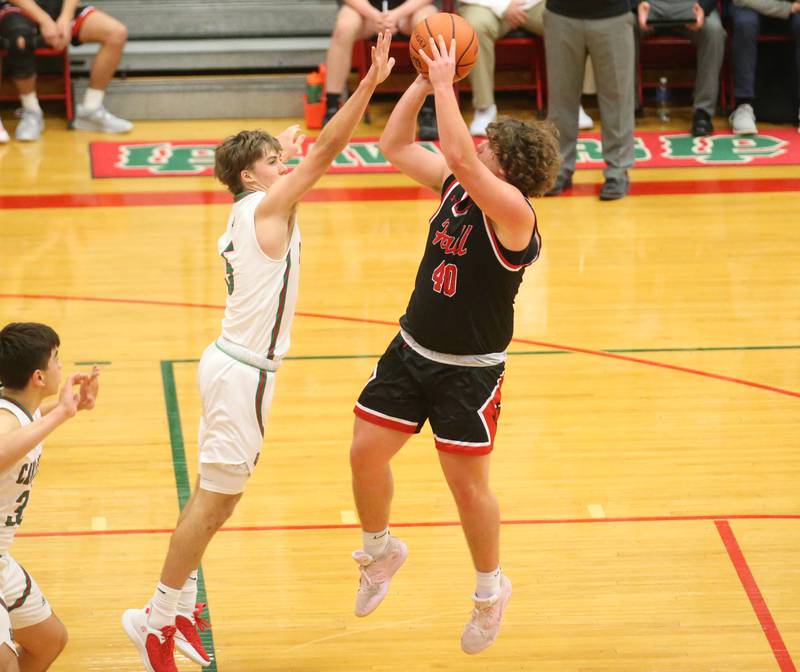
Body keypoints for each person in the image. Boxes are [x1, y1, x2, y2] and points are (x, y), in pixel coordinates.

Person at [121, 32, 396, 672]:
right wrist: (367, 85)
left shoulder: (253, 207)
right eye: (274, 162)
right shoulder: (263, 207)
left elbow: (305, 154)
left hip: (241, 368)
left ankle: (178, 607)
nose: (286, 167)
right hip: (240, 372)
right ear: (252, 176)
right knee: (215, 499)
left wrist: (284, 149)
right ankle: (155, 618)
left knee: (220, 497)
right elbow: (326, 151)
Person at [349, 35, 558, 654]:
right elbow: (392, 145)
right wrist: (419, 79)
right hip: (412, 350)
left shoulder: (514, 214)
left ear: (508, 166)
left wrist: (448, 81)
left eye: (491, 145)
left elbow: (464, 159)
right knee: (364, 453)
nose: (480, 145)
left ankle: (491, 592)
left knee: (467, 489)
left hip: (469, 371)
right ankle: (381, 552)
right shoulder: (457, 186)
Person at [0, 322, 99, 672]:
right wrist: (60, 412)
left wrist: (64, 408)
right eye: (56, 360)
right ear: (39, 377)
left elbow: (23, 427)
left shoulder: (16, 410)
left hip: (2, 557)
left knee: (49, 641)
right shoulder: (4, 419)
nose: (61, 366)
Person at [0, 0, 131, 143]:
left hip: (59, 7)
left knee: (116, 33)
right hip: (21, 8)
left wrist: (65, 18)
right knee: (20, 40)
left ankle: (91, 109)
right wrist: (45, 21)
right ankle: (31, 111)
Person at [543, 0, 636, 200]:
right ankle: (558, 169)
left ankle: (617, 171)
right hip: (561, 14)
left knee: (617, 98)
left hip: (613, 15)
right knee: (560, 100)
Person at [458, 0, 595, 135]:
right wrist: (503, 6)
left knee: (566, 22)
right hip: (485, 5)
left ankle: (569, 106)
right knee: (475, 27)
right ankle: (484, 107)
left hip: (535, 4)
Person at [323, 0, 439, 139]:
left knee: (428, 24)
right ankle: (332, 107)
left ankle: (429, 110)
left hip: (408, 12)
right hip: (367, 13)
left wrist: (396, 14)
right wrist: (374, 15)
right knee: (344, 27)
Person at [635, 1, 726, 137]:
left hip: (691, 4)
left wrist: (703, 7)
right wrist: (636, 4)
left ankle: (703, 112)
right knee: (623, 27)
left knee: (714, 31)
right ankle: (629, 106)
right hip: (650, 4)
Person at [728, 0, 800, 134]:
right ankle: (743, 105)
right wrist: (789, 8)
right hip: (750, 4)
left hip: (793, 8)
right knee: (746, 23)